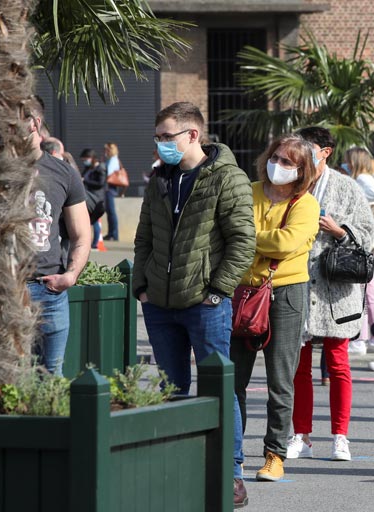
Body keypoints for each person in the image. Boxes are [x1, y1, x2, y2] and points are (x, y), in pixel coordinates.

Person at [132, 102, 256, 508]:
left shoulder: (228, 178)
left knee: (219, 388)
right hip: (159, 304)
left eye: (166, 137)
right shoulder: (160, 179)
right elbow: (144, 237)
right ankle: (173, 466)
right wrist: (141, 286)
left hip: (205, 304)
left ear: (192, 135)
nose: (160, 144)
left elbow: (243, 241)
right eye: (157, 137)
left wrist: (217, 290)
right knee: (170, 389)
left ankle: (231, 473)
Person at [230, 135, 320, 484]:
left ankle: (275, 454)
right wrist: (252, 238)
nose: (277, 166)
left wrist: (247, 237)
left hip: (286, 293)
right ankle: (232, 454)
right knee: (233, 379)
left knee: (280, 381)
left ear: (302, 170)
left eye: (287, 162)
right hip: (242, 292)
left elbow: (286, 243)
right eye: (275, 157)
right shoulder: (248, 191)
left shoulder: (306, 204)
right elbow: (226, 230)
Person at [286, 127, 374, 464]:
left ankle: (340, 436)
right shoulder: (291, 181)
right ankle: (301, 435)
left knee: (338, 363)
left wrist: (340, 231)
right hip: (296, 281)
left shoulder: (346, 186)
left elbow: (368, 232)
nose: (301, 152)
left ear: (325, 151)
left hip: (336, 287)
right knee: (299, 366)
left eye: (307, 147)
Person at [25, 97, 92, 376]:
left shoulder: (63, 172)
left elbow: (82, 233)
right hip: (3, 292)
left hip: (48, 291)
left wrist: (71, 275)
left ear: (34, 123)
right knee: (6, 379)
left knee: (51, 376)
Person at [346, 147, 374, 356]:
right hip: (373, 243)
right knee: (369, 292)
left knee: (361, 293)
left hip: (367, 244)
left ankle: (360, 339)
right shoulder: (369, 180)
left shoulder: (362, 181)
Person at [79, 149, 107, 250]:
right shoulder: (88, 168)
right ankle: (90, 242)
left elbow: (100, 183)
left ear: (91, 157)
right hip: (88, 196)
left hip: (97, 198)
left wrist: (86, 181)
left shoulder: (100, 168)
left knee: (95, 221)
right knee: (89, 220)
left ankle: (95, 243)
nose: (85, 161)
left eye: (85, 159)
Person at [103, 142, 121, 241]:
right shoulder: (110, 159)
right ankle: (111, 233)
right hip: (109, 187)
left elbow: (109, 173)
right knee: (109, 211)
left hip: (110, 188)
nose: (105, 151)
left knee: (111, 211)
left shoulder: (113, 160)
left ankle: (114, 234)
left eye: (106, 149)